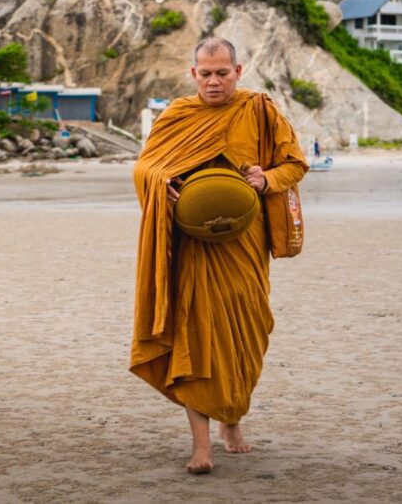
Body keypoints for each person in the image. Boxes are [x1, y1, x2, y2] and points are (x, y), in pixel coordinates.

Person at [130, 37, 308, 474]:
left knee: (248, 334)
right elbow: (145, 166)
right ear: (193, 74)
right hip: (194, 245)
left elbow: (296, 164)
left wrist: (265, 179)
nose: (213, 81)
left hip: (245, 245)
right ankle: (201, 446)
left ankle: (232, 422)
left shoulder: (260, 111)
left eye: (222, 73)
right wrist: (162, 183)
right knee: (196, 337)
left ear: (238, 71)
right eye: (205, 74)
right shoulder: (177, 115)